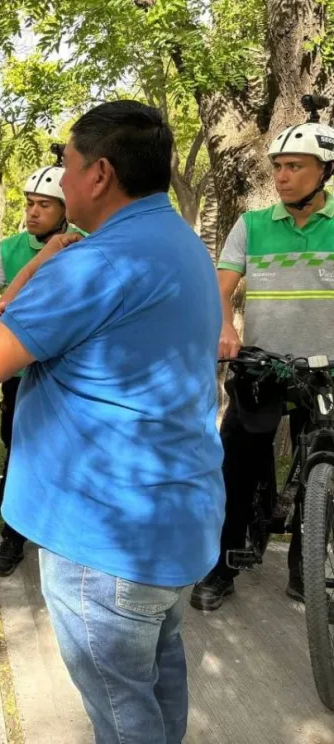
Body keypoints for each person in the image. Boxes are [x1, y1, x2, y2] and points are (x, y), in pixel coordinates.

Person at [0, 101, 224, 744]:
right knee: (159, 678)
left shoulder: (95, 264)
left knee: (120, 708)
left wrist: (13, 290)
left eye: (68, 166)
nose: (64, 180)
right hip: (175, 516)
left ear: (100, 173)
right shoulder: (182, 244)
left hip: (102, 535)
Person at [190, 108, 334, 612]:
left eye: (294, 166)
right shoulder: (251, 225)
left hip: (327, 371)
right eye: (278, 166)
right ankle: (222, 565)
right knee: (237, 468)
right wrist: (225, 328)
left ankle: (307, 570)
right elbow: (220, 288)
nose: (281, 176)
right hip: (261, 366)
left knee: (326, 467)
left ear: (326, 171)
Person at [0, 155, 87, 578]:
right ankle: (13, 536)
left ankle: (65, 533)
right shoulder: (10, 249)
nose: (33, 212)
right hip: (19, 374)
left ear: (65, 210)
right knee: (18, 451)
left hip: (67, 374)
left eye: (45, 205)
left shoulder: (84, 245)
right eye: (29, 203)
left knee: (68, 451)